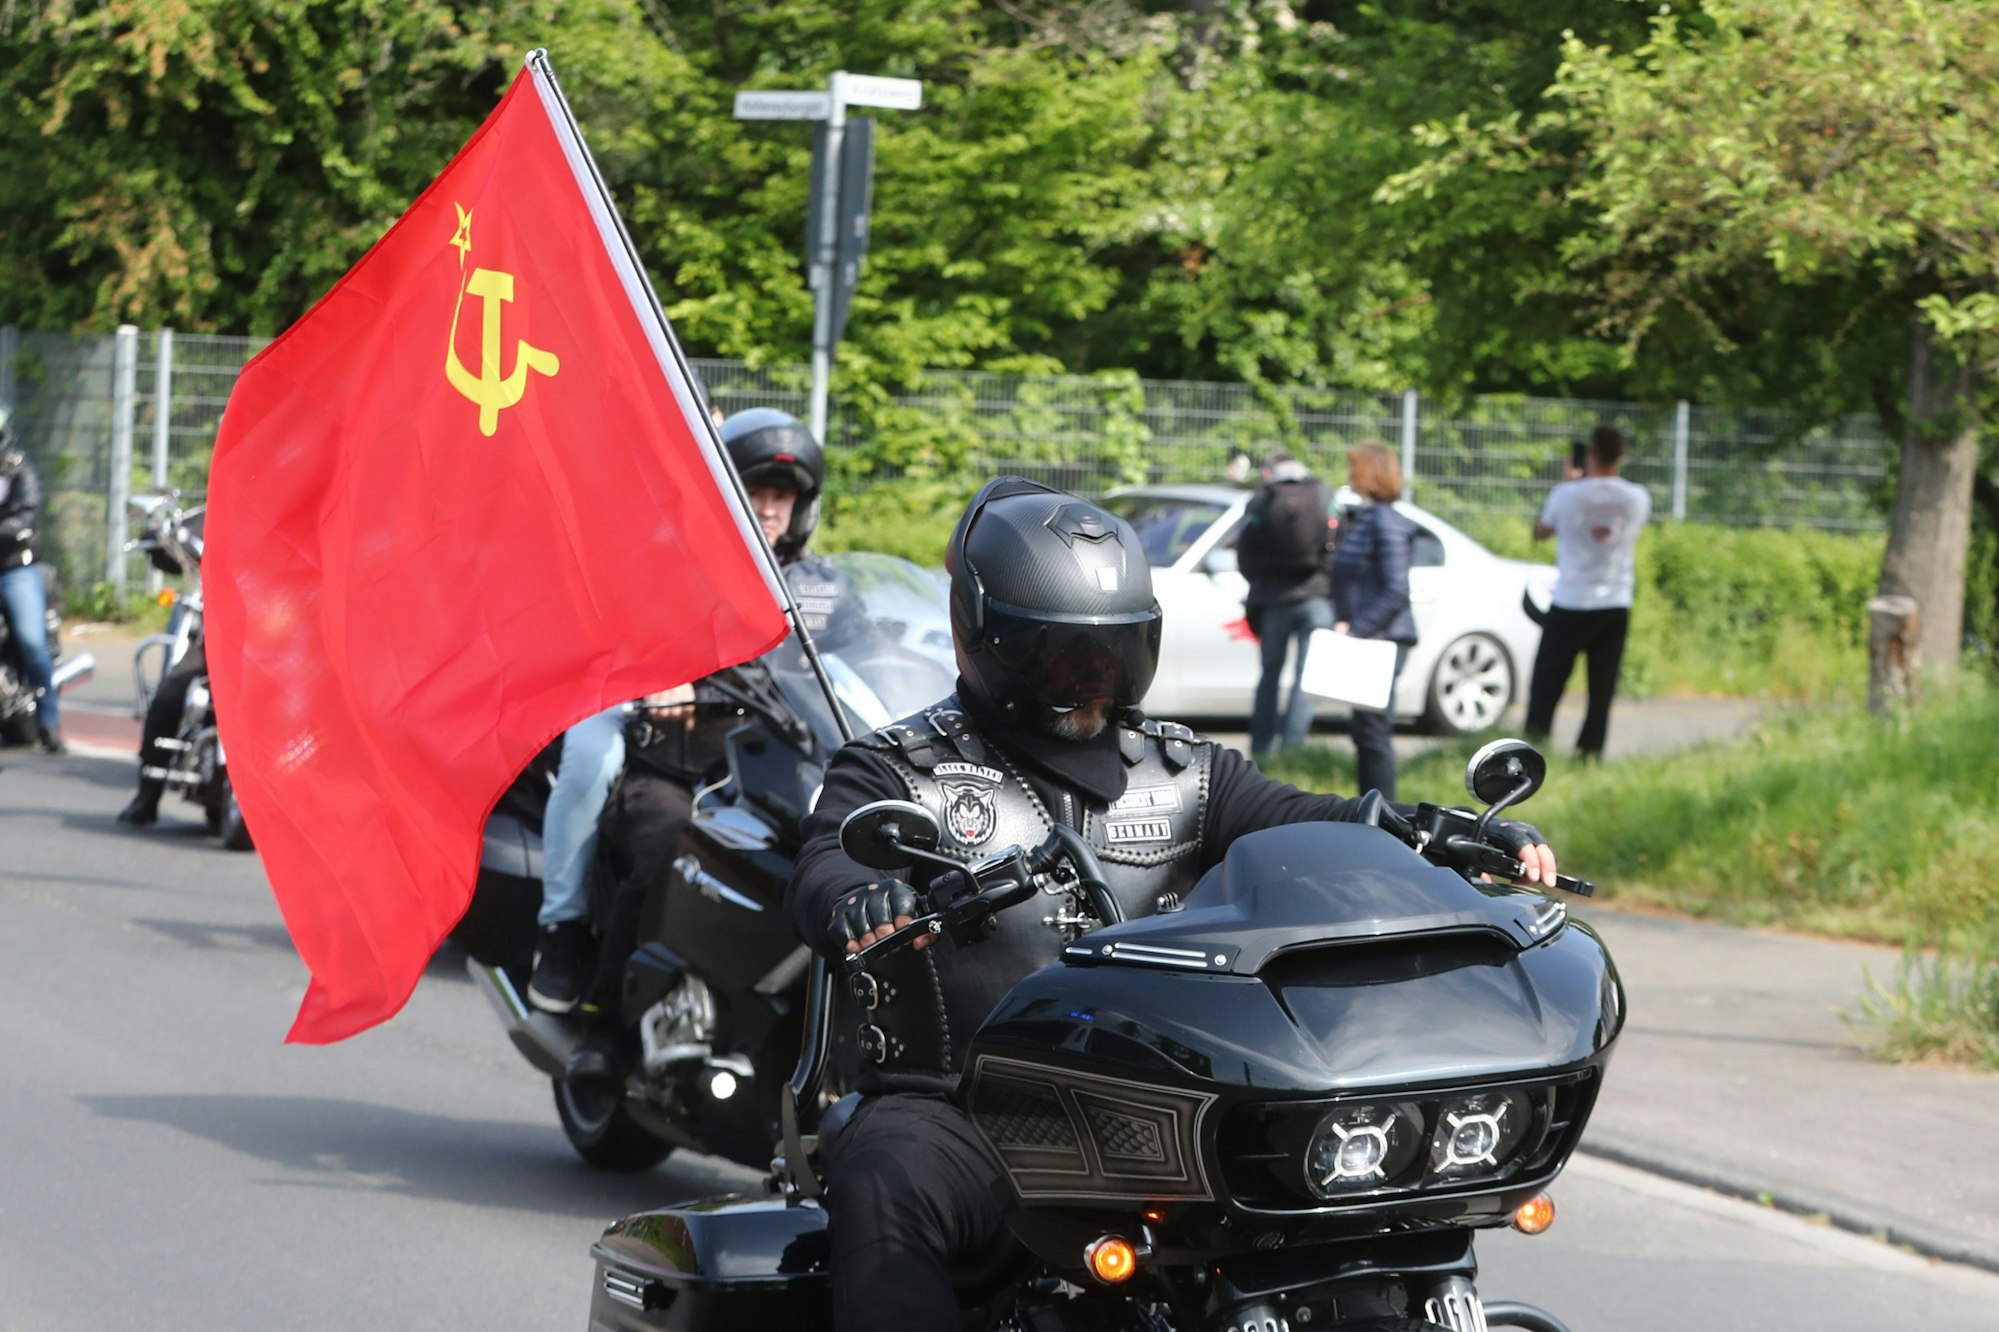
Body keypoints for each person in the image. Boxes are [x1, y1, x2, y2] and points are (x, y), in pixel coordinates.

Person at [786, 476, 1558, 1332]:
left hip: (1160, 1099)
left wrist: (1432, 835)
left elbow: (1316, 820)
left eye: (1111, 654)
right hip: (969, 1104)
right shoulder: (898, 769)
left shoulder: (1186, 770)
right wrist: (861, 899)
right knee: (887, 1182)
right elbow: (824, 863)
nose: (1091, 681)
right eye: (1061, 656)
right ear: (985, 637)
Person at [562, 407, 839, 1077]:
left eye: (782, 496)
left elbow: (866, 655)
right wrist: (662, 679)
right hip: (681, 762)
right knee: (665, 839)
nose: (770, 509)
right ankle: (604, 1018)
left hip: (782, 763)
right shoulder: (677, 569)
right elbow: (629, 636)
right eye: (756, 493)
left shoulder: (826, 586)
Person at [1524, 422, 1650, 759]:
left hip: (1571, 601)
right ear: (1621, 455)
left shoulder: (1566, 494)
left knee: (1547, 684)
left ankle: (1532, 750)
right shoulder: (1637, 497)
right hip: (1614, 601)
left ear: (1590, 454)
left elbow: (1540, 531)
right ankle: (1589, 754)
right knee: (1602, 688)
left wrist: (1568, 484)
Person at [1329, 441, 1418, 799]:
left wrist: (1356, 628)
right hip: (1372, 637)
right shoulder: (1368, 517)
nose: (1350, 475)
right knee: (1365, 731)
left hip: (1382, 638)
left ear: (1369, 472)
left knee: (1373, 733)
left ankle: (1385, 818)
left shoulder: (1387, 522)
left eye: (1355, 468)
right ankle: (1372, 813)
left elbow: (1397, 589)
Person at [1237, 449, 1337, 758]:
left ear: (1270, 471)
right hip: (1317, 596)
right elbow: (1339, 542)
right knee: (1305, 677)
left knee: (1269, 674)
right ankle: (1293, 750)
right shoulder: (1323, 493)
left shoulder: (1262, 498)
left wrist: (1259, 581)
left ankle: (1261, 748)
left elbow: (1245, 549)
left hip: (1274, 599)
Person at [0, 409, 64, 754]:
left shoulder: (18, 468)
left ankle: (49, 722)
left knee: (31, 640)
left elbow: (27, 510)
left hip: (14, 566)